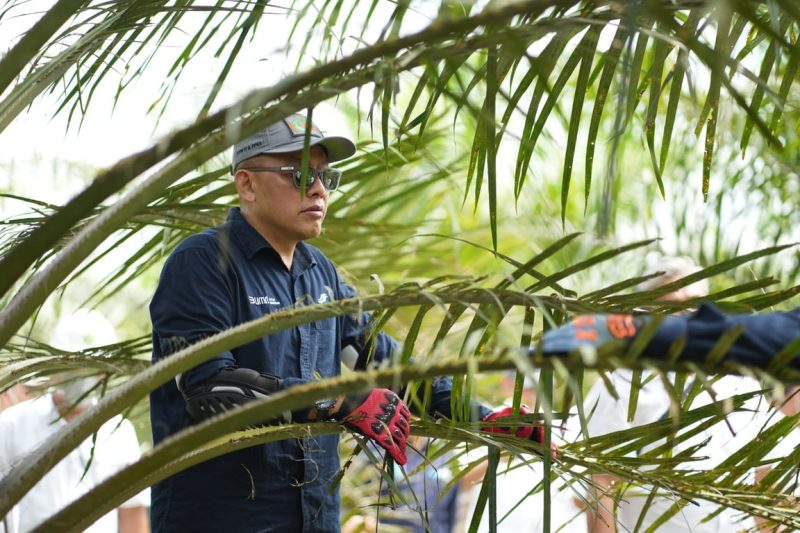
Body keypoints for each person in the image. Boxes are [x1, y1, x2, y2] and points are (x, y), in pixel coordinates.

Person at [149, 113, 547, 533]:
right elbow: (210, 388)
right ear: (247, 184)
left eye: (325, 177)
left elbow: (390, 368)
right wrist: (337, 401)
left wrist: (485, 418)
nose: (319, 190)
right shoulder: (203, 262)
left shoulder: (321, 275)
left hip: (314, 520)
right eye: (300, 174)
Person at [0, 375, 149, 533]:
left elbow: (131, 512)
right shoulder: (13, 423)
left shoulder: (119, 429)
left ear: (102, 373)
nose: (79, 374)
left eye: (87, 368)